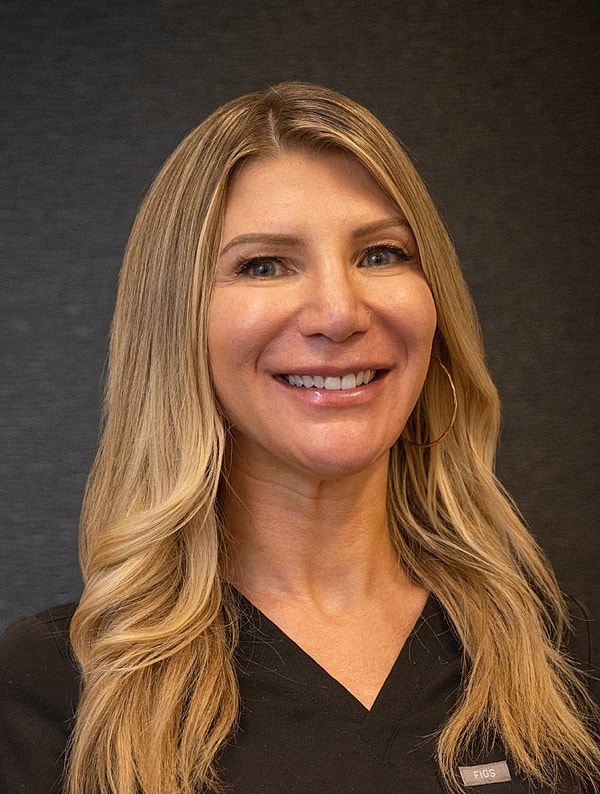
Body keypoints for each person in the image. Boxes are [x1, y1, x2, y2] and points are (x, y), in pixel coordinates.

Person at [0, 82, 598, 794]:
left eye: (380, 254)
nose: (339, 312)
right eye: (263, 265)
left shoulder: (563, 657)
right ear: (177, 323)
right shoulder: (55, 692)